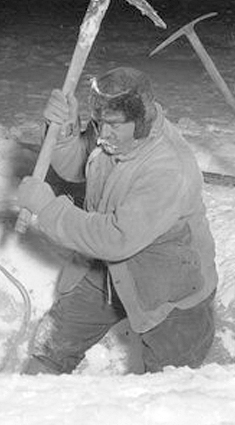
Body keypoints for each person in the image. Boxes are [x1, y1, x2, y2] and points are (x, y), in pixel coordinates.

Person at [16, 66, 218, 374]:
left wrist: (47, 209)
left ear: (141, 122)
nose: (102, 134)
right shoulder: (117, 131)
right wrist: (66, 130)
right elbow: (78, 166)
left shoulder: (167, 168)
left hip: (169, 287)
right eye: (99, 123)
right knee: (52, 345)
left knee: (169, 390)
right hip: (109, 272)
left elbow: (114, 239)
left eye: (112, 126)